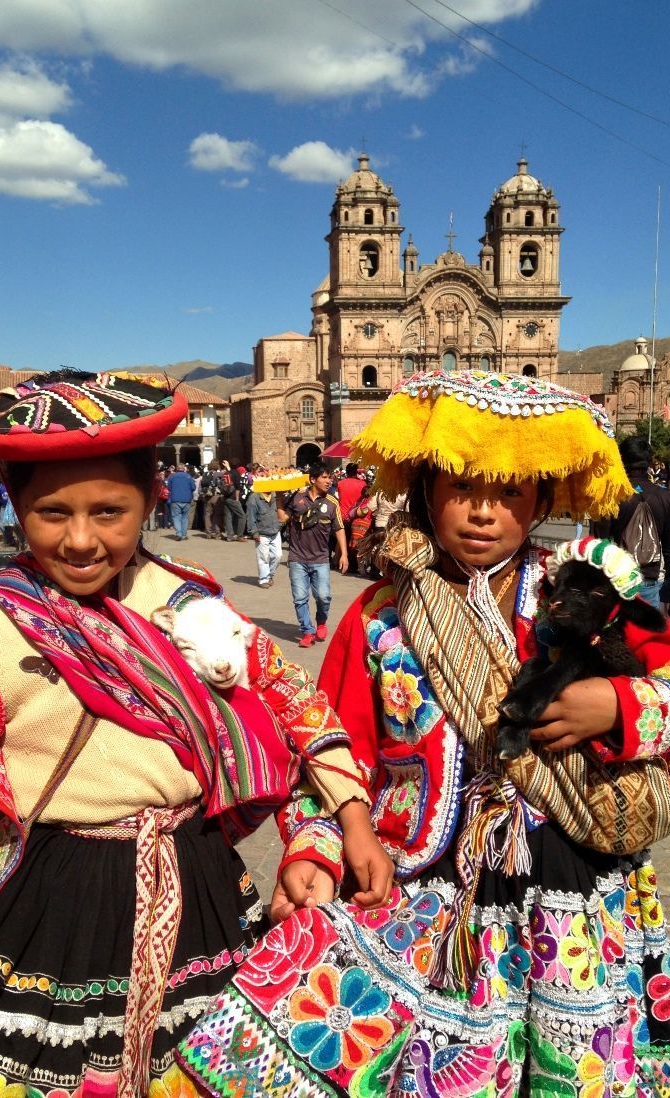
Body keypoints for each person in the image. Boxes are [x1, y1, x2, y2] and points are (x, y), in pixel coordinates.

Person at [178, 368, 670, 1095]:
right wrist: (326, 845)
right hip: (423, 880)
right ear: (424, 491)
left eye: (508, 492)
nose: (483, 512)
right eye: (461, 489)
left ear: (539, 500)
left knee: (577, 1061)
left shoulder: (589, 599)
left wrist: (620, 708)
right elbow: (330, 750)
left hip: (572, 876)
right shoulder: (380, 617)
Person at [0, 369, 391, 1094]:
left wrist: (343, 828)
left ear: (150, 498)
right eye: (52, 514)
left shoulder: (194, 610)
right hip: (58, 910)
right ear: (15, 505)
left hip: (202, 890)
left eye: (110, 512)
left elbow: (299, 712)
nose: (82, 540)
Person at [595, 435, 670, 611]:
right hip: (650, 584)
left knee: (615, 637)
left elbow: (599, 545)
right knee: (645, 636)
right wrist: (667, 594)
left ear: (621, 459)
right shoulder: (665, 497)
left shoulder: (610, 496)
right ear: (649, 462)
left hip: (616, 583)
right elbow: (669, 549)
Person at [279, 462, 347, 648]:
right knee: (300, 598)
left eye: (330, 477)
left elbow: (339, 528)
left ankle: (321, 621)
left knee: (324, 597)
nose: (329, 481)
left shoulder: (332, 502)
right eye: (324, 477)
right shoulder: (297, 498)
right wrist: (278, 497)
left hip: (321, 559)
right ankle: (307, 631)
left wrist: (344, 554)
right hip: (297, 558)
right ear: (313, 479)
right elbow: (283, 518)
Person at [246, 483, 282, 588]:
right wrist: (254, 532)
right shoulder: (254, 498)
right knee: (263, 557)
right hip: (262, 533)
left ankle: (270, 574)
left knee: (277, 556)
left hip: (275, 531)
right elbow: (250, 517)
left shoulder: (275, 496)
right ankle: (263, 579)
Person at [166, 461, 196, 541]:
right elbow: (193, 487)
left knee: (176, 517)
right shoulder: (188, 477)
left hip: (175, 499)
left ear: (177, 469)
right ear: (184, 469)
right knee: (185, 518)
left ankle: (179, 533)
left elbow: (169, 487)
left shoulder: (172, 477)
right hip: (186, 500)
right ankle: (184, 534)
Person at [222, 460, 247, 542]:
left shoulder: (226, 473)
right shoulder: (236, 473)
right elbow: (238, 488)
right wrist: (237, 499)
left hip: (226, 496)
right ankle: (240, 536)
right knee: (242, 516)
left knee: (228, 517)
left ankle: (230, 536)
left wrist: (227, 466)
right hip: (233, 498)